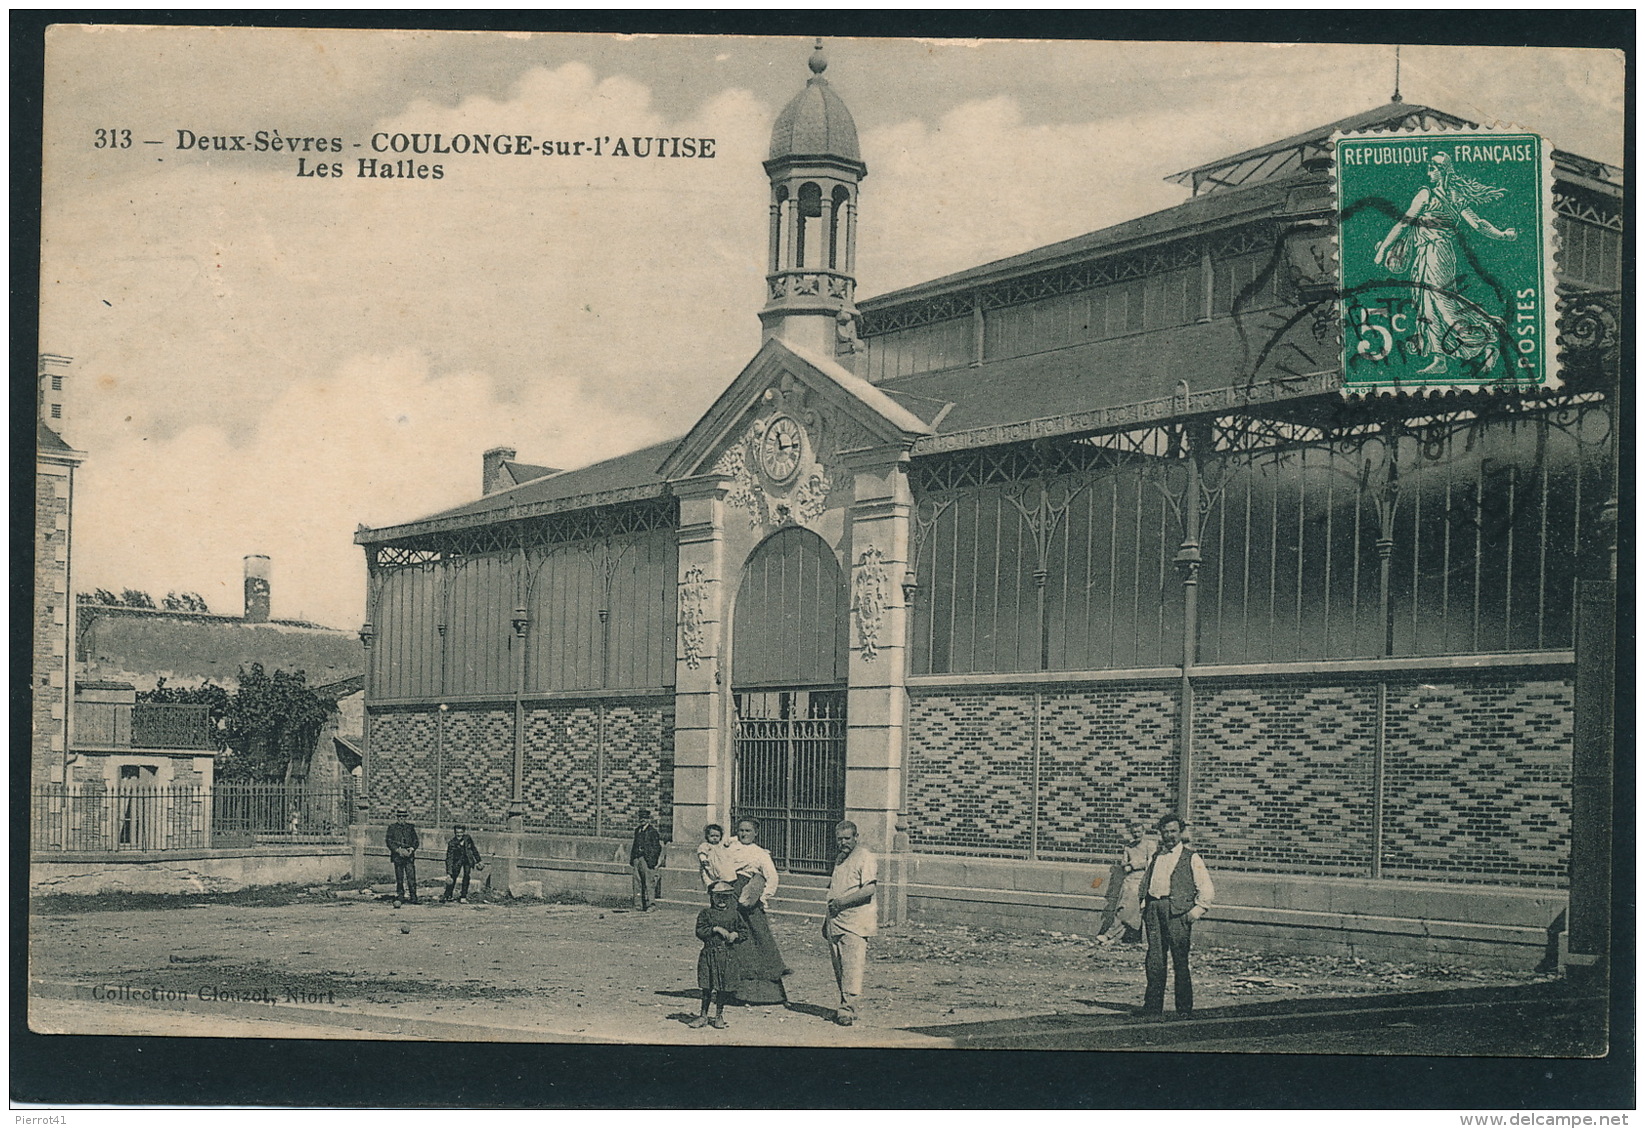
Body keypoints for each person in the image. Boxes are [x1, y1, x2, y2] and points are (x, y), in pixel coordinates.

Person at [1372, 151, 1518, 376]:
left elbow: (1405, 223)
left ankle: (1488, 338)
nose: (1428, 173)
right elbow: (1477, 224)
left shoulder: (1429, 194)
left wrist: (1383, 249)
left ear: (1442, 172)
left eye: (1432, 169)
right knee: (1426, 304)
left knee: (1442, 302)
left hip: (1438, 254)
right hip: (1425, 254)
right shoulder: (1448, 195)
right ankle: (1440, 358)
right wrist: (1503, 235)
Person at [1137, 814, 1214, 1017]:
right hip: (1155, 910)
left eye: (1173, 831)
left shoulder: (1191, 857)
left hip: (1178, 913)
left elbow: (1206, 888)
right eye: (1165, 831)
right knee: (1154, 960)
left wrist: (1194, 912)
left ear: (1180, 833)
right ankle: (1152, 1007)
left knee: (1180, 961)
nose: (1169, 835)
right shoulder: (1157, 856)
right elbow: (1146, 881)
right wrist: (1145, 905)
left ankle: (1184, 1009)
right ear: (1160, 833)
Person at [721, 817, 788, 1004]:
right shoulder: (730, 846)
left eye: (748, 831)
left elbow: (772, 878)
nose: (743, 834)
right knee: (729, 939)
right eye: (741, 830)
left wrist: (762, 897)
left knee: (757, 940)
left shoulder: (760, 854)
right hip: (728, 896)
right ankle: (731, 991)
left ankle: (767, 994)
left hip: (747, 898)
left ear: (756, 833)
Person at [824, 821, 877, 1026]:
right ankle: (845, 1004)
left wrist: (842, 903)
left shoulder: (865, 857)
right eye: (840, 839)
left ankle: (847, 1009)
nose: (843, 842)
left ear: (856, 837)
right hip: (836, 920)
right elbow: (835, 890)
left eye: (847, 838)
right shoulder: (839, 859)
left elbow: (868, 889)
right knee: (840, 967)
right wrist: (826, 920)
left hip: (856, 920)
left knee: (852, 967)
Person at [689, 881, 745, 1029]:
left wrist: (736, 934)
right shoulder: (706, 914)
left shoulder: (734, 915)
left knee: (722, 987)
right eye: (718, 897)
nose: (721, 900)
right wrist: (716, 929)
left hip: (727, 955)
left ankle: (719, 1015)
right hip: (709, 954)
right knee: (707, 987)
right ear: (712, 897)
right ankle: (703, 1015)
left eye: (725, 897)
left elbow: (744, 932)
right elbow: (700, 931)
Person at [1096, 821, 1157, 945]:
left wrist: (1135, 865)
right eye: (1134, 832)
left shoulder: (1149, 845)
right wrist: (1127, 866)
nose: (1136, 834)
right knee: (1125, 907)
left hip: (1141, 881)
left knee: (1125, 908)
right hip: (1128, 880)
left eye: (1139, 832)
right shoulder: (1128, 847)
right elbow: (1124, 863)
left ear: (1143, 832)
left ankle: (1110, 934)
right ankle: (1116, 938)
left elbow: (1152, 864)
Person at [385, 807, 420, 908]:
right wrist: (397, 850)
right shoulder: (392, 828)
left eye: (403, 817)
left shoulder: (410, 828)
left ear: (405, 818)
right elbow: (389, 841)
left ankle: (413, 896)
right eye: (399, 816)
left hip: (409, 857)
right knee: (399, 878)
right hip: (398, 857)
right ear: (397, 817)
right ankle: (401, 896)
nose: (401, 818)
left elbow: (416, 841)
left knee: (411, 877)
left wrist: (411, 849)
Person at [629, 808, 663, 912]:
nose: (642, 820)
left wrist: (652, 860)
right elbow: (635, 845)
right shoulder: (638, 830)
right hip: (637, 859)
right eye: (641, 818)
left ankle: (651, 904)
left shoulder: (652, 832)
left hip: (646, 859)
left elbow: (657, 847)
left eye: (645, 818)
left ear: (648, 819)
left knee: (649, 883)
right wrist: (633, 858)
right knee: (637, 882)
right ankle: (638, 905)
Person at [442, 823, 484, 903]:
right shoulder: (452, 843)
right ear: (455, 833)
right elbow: (449, 858)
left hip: (467, 860)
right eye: (457, 833)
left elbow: (473, 849)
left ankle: (463, 896)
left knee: (466, 876)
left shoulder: (467, 838)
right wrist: (449, 873)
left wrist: (478, 860)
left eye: (461, 832)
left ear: (463, 832)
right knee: (453, 877)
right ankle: (448, 895)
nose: (459, 835)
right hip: (457, 861)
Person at [697, 823, 739, 892]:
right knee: (710, 877)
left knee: (725, 873)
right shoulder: (705, 845)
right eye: (712, 836)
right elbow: (702, 853)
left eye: (717, 836)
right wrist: (703, 859)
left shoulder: (720, 845)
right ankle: (714, 887)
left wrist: (735, 839)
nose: (715, 838)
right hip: (710, 865)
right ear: (707, 836)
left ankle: (726, 884)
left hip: (721, 865)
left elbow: (729, 841)